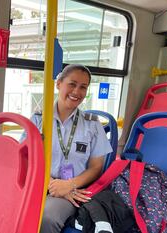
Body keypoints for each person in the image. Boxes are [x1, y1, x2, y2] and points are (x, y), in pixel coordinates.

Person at [29, 64, 113, 233]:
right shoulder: (39, 120)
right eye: (72, 84)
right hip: (38, 185)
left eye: (83, 87)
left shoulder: (92, 124)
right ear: (59, 84)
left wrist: (69, 185)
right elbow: (25, 159)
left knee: (47, 217)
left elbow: (96, 167)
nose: (77, 92)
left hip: (74, 190)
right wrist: (53, 185)